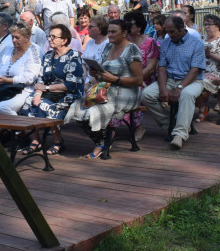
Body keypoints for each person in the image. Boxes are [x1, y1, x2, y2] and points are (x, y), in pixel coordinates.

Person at [65, 18, 144, 158]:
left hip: (127, 92)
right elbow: (104, 72)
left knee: (94, 111)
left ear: (124, 33)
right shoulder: (108, 47)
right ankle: (101, 140)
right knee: (77, 106)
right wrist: (95, 72)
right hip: (105, 89)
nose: (110, 35)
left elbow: (138, 80)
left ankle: (102, 143)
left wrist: (114, 79)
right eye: (109, 32)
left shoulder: (132, 50)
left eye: (114, 32)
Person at [21, 23, 86, 156]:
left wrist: (46, 88)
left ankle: (58, 141)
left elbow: (70, 85)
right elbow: (41, 79)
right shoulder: (48, 55)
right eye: (49, 36)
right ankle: (36, 140)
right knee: (28, 103)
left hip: (70, 94)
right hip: (49, 93)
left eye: (54, 37)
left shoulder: (73, 55)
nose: (50, 39)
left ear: (64, 40)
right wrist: (38, 93)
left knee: (44, 106)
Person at [141, 16, 205, 150]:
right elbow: (162, 68)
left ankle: (179, 134)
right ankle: (169, 123)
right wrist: (163, 88)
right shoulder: (165, 43)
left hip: (193, 81)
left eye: (172, 31)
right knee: (146, 95)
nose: (169, 35)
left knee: (186, 94)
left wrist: (180, 88)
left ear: (182, 27)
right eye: (167, 31)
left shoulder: (196, 43)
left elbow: (195, 70)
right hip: (170, 79)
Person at [109, 11, 159, 141]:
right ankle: (109, 128)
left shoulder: (149, 42)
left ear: (139, 27)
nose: (127, 26)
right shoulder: (122, 42)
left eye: (130, 24)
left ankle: (138, 127)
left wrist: (133, 80)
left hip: (142, 80)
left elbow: (151, 66)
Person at [195, 15, 220, 122]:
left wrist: (210, 55)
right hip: (204, 71)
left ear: (217, 26)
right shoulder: (202, 38)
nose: (206, 27)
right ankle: (203, 107)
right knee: (190, 81)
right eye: (205, 24)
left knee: (201, 82)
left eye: (210, 24)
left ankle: (203, 107)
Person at [81, 14, 109, 82]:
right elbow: (84, 65)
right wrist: (83, 81)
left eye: (90, 27)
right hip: (86, 79)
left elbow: (104, 71)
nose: (87, 28)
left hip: (100, 81)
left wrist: (89, 84)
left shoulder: (108, 45)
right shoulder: (90, 42)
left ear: (100, 29)